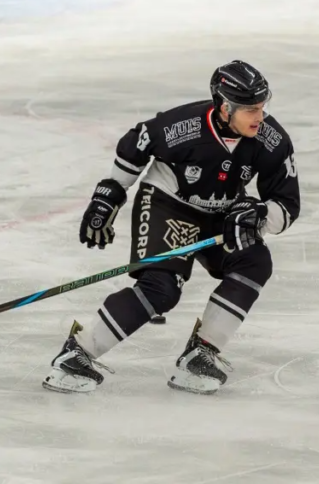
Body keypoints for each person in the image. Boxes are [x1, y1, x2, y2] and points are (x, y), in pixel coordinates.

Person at [44, 60, 300, 395]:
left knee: (255, 262)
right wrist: (111, 193)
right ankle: (78, 353)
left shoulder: (271, 140)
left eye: (262, 107)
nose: (260, 117)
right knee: (161, 288)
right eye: (251, 109)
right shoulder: (184, 125)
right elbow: (138, 142)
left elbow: (287, 204)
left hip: (222, 214)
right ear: (225, 106)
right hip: (169, 204)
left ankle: (201, 352)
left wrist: (259, 214)